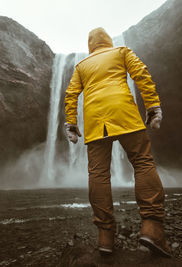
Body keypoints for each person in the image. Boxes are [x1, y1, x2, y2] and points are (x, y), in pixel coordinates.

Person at [64, 27, 171, 257]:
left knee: (98, 174)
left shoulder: (81, 66)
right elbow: (141, 74)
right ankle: (152, 227)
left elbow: (71, 94)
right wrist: (153, 106)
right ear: (108, 41)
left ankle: (105, 237)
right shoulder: (121, 51)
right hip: (124, 113)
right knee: (142, 162)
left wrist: (72, 124)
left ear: (90, 45)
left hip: (94, 121)